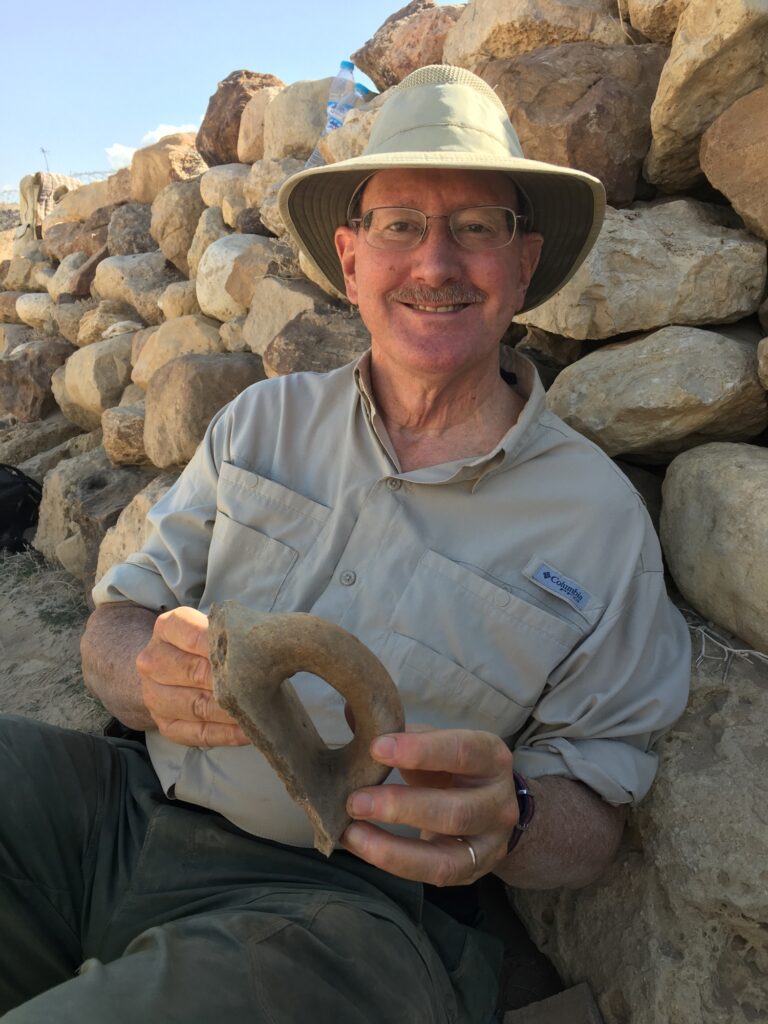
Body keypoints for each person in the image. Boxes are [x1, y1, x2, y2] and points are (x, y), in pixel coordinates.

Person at [0, 66, 690, 1022]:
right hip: (121, 809)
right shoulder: (261, 422)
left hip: (344, 911)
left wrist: (515, 817)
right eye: (400, 223)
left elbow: (596, 816)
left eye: (478, 226)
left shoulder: (599, 523)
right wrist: (139, 669)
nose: (435, 262)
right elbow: (117, 619)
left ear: (524, 262)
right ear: (352, 254)